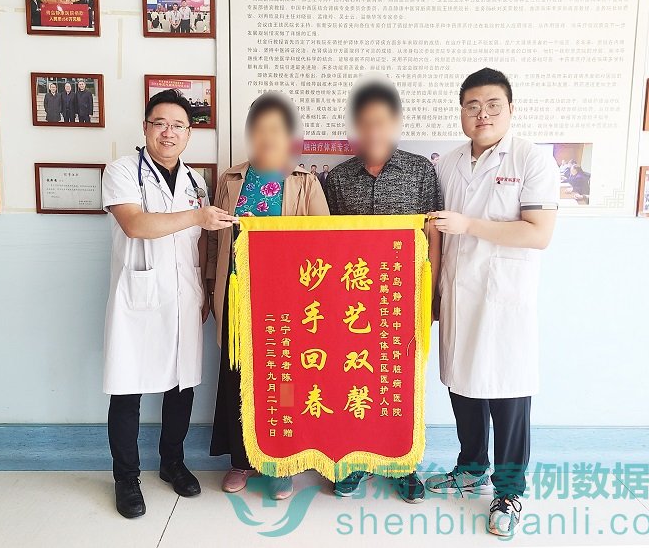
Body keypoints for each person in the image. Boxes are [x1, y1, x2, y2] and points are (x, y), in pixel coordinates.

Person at [427, 68, 559, 538]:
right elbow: (435, 233)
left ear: (510, 108)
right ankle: (470, 467)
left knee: (507, 394)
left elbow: (538, 233)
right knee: (462, 385)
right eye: (472, 106)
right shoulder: (448, 163)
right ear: (461, 112)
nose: (481, 114)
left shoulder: (531, 159)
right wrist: (433, 293)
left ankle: (509, 490)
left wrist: (470, 225)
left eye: (492, 105)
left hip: (505, 299)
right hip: (457, 293)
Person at [101, 89, 236, 519]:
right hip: (138, 298)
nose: (168, 132)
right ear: (146, 128)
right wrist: (198, 216)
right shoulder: (123, 171)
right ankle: (126, 477)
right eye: (160, 123)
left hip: (184, 296)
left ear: (189, 134)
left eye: (178, 125)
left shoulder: (196, 182)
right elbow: (135, 224)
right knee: (128, 389)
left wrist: (203, 290)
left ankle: (172, 463)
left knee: (182, 385)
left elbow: (200, 245)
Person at [324, 78, 442, 504]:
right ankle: (355, 459)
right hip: (353, 303)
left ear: (395, 124)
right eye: (365, 122)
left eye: (382, 122)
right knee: (354, 378)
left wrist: (431, 294)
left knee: (401, 382)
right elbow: (326, 243)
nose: (373, 131)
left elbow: (433, 236)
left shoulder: (420, 171)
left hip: (402, 299)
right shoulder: (338, 178)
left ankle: (403, 464)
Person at [207, 92, 329, 501]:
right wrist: (211, 286)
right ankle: (241, 459)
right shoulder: (230, 179)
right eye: (258, 128)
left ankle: (280, 462)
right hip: (236, 294)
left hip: (285, 300)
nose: (266, 136)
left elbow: (323, 243)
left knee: (282, 379)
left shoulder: (304, 182)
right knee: (237, 376)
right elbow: (214, 243)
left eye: (275, 128)